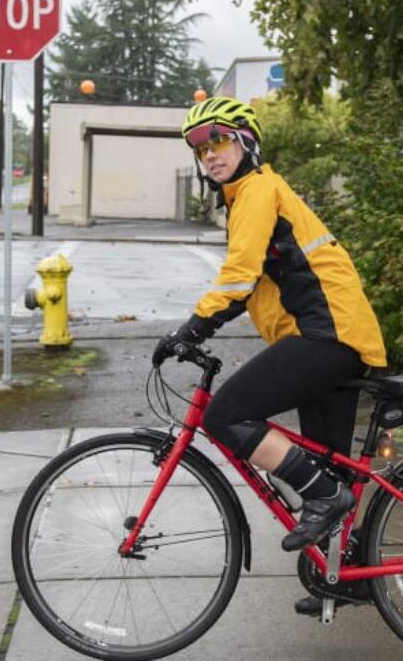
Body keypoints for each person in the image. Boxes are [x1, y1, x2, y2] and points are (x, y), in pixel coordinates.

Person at [152, 96, 386, 612]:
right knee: (327, 463)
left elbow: (236, 277)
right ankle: (345, 575)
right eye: (198, 146)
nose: (208, 154)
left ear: (245, 141)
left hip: (327, 337)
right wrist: (204, 327)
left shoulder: (257, 190)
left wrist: (190, 329)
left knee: (226, 415)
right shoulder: (248, 197)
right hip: (333, 337)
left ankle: (327, 503)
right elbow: (251, 281)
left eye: (218, 139)